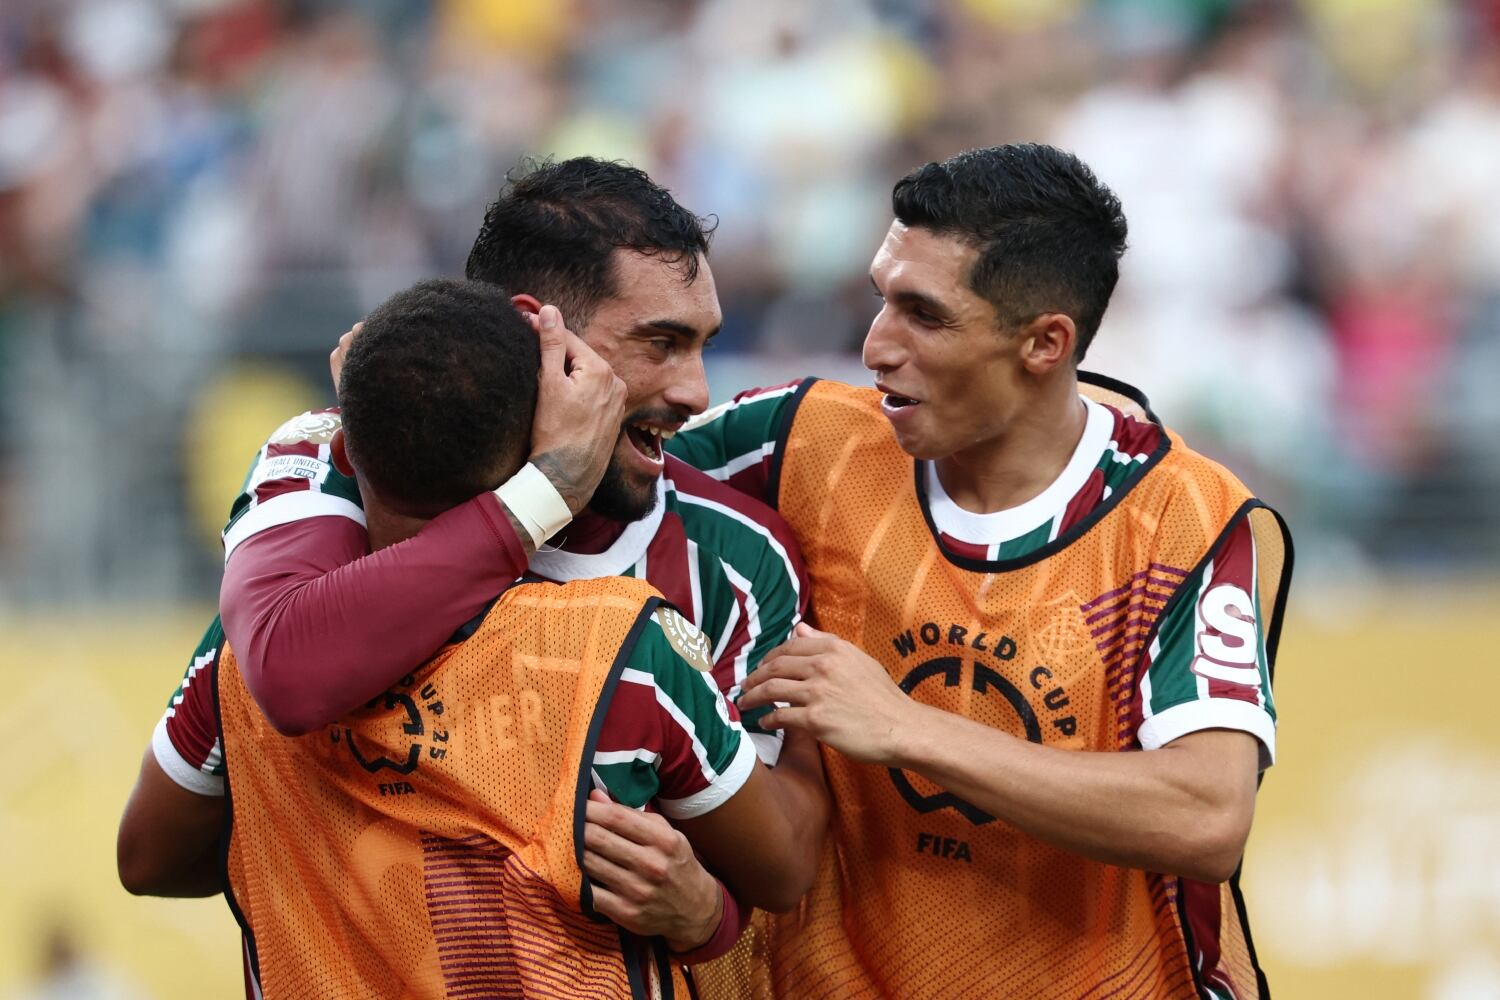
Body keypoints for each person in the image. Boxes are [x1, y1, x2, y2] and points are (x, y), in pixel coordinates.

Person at [143, 158, 823, 963]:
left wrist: (703, 908)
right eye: (661, 344)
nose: (694, 390)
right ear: (540, 327)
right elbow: (267, 696)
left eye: (703, 344)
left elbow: (781, 869)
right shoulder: (337, 460)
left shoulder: (734, 561)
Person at [669, 143, 1293, 999]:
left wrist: (905, 728)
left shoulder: (1180, 515)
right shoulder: (798, 442)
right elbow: (586, 484)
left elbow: (1207, 814)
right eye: (882, 298)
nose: (877, 347)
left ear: (1044, 342)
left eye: (925, 315)